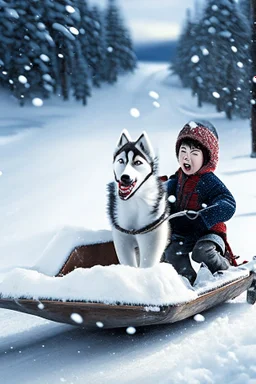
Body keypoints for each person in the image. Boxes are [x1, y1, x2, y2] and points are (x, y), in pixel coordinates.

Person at [164, 120, 236, 284]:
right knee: (172, 251)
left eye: (194, 153)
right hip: (185, 232)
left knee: (202, 251)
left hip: (208, 233)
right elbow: (166, 190)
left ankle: (225, 271)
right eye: (183, 151)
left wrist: (204, 217)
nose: (187, 157)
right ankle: (187, 280)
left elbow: (228, 204)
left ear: (206, 158)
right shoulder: (178, 178)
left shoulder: (208, 180)